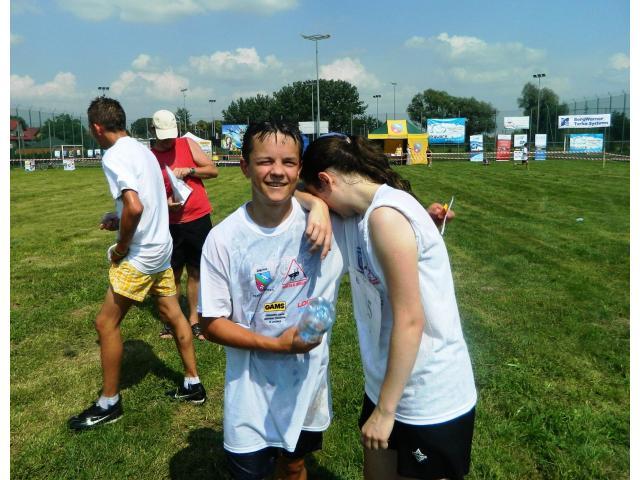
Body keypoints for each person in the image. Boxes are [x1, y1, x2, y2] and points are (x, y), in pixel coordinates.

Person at [300, 134, 477, 480]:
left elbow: (410, 320)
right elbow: (285, 192)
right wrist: (316, 204)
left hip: (426, 394)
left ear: (326, 180)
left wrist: (385, 410)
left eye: (317, 194)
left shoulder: (385, 217)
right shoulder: (358, 215)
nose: (322, 207)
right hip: (386, 384)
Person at [198, 121, 345, 480]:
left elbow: (378, 219)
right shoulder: (223, 239)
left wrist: (425, 219)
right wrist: (278, 345)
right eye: (265, 161)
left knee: (294, 466)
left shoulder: (325, 225)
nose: (277, 171)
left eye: (288, 162)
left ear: (299, 169)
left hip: (306, 387)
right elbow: (211, 323)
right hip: (250, 393)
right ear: (245, 167)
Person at [68, 97, 206, 432]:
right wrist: (118, 219)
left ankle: (109, 403)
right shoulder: (144, 151)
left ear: (97, 128)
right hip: (162, 247)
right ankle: (193, 384)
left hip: (142, 254)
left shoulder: (114, 155)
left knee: (105, 324)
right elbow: (148, 201)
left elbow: (135, 206)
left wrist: (121, 247)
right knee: (173, 313)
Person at [151, 110, 218, 341]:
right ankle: (172, 320)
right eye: (164, 137)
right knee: (173, 273)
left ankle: (194, 319)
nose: (169, 141)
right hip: (170, 223)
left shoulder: (187, 144)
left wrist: (190, 170)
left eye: (171, 135)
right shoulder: (149, 157)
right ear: (153, 132)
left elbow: (213, 170)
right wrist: (165, 204)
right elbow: (146, 195)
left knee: (196, 271)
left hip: (198, 218)